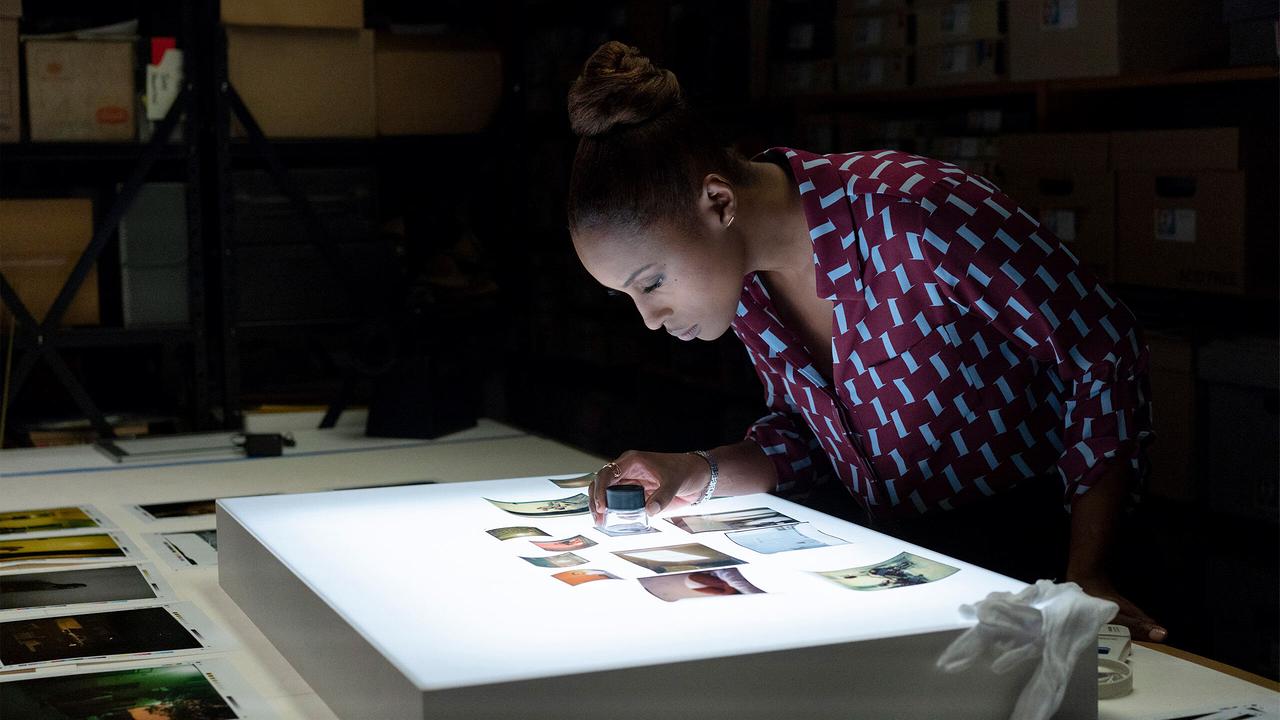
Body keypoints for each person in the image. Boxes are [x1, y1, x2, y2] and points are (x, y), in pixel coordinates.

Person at [568, 42, 1164, 642]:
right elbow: (813, 438)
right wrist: (694, 471)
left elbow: (1102, 349)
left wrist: (1088, 569)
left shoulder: (919, 211)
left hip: (1042, 545)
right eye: (629, 296)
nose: (649, 317)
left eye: (651, 283)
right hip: (908, 561)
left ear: (719, 202)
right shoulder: (742, 284)